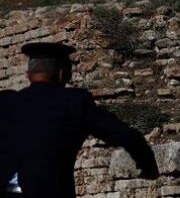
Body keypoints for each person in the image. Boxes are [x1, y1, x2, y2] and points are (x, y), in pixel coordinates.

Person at [0, 42, 159, 197]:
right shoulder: (74, 103)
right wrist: (148, 166)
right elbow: (125, 135)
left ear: (28, 74)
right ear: (63, 73)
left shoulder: (6, 103)